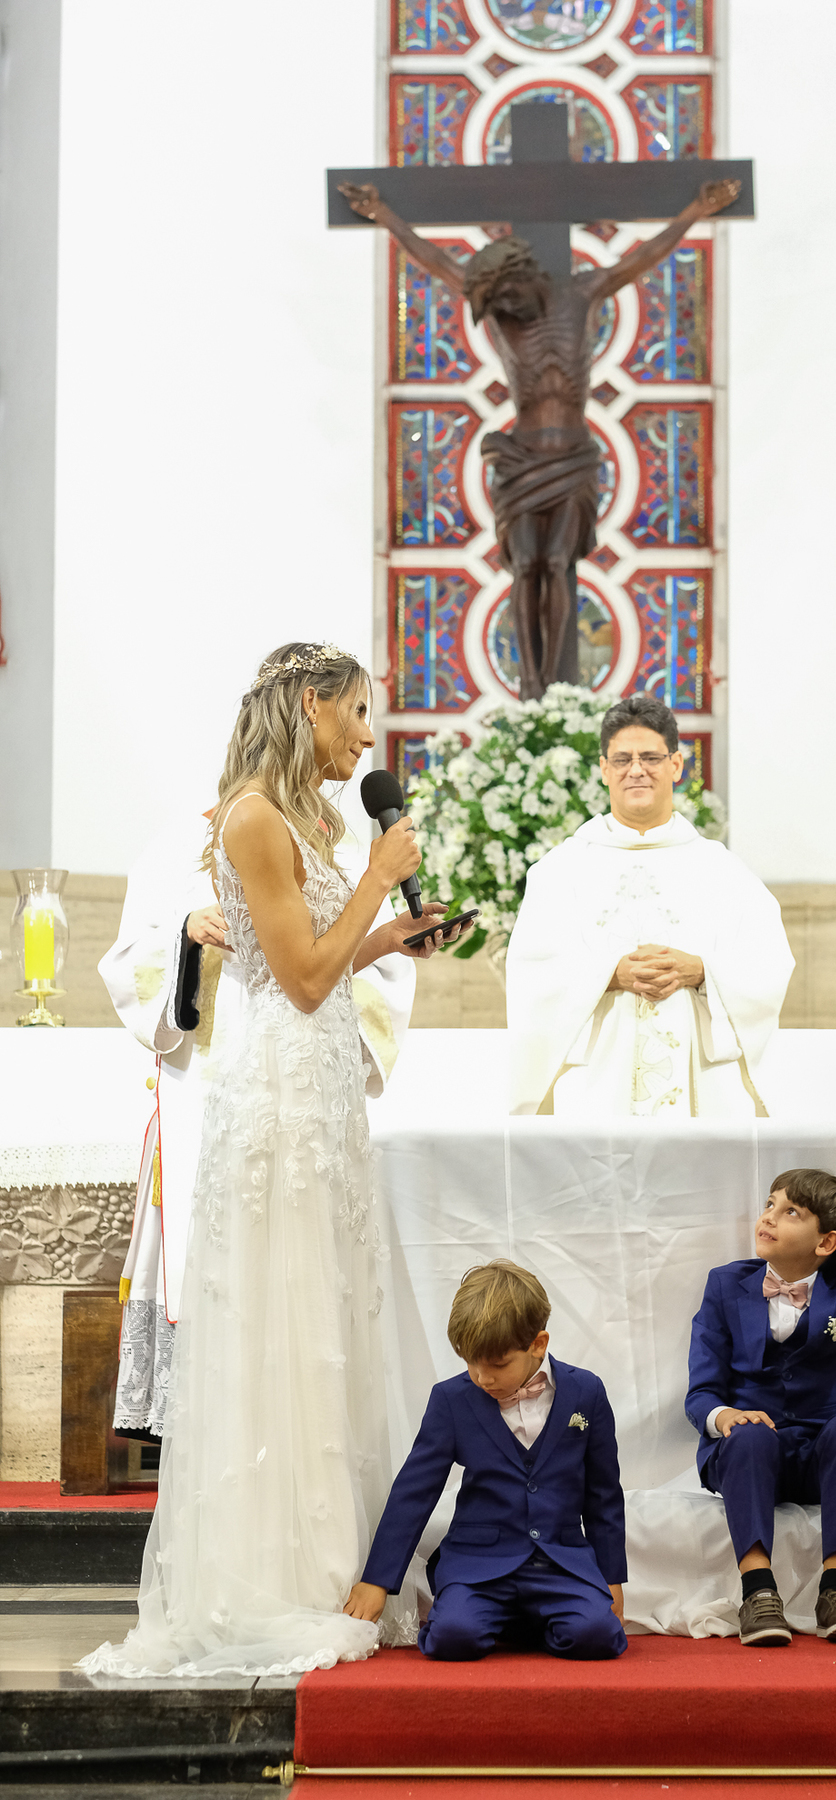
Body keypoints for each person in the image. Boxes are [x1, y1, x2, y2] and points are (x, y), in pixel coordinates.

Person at [82, 640, 469, 1679]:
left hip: (321, 1091)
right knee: (283, 1319)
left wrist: (392, 935)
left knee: (325, 1321)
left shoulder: (303, 817)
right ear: (309, 706)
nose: (367, 738)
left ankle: (331, 1557)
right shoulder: (252, 815)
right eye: (357, 713)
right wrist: (379, 880)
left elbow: (324, 960)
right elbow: (297, 980)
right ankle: (276, 1575)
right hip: (282, 1097)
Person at [99, 803, 436, 1441]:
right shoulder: (181, 842)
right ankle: (211, 1423)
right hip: (209, 1080)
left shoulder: (332, 838)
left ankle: (295, 1424)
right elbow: (127, 958)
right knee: (219, 1240)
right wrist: (186, 933)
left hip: (299, 1081)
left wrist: (390, 937)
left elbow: (329, 969)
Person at [337, 179, 740, 698]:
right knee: (524, 565)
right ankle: (530, 684)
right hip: (521, 459)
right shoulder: (500, 313)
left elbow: (643, 257)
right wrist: (384, 215)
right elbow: (437, 262)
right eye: (494, 301)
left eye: (507, 295)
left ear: (524, 274)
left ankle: (552, 684)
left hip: (573, 457)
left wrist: (698, 209)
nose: (503, 307)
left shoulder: (582, 293)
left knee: (557, 562)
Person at [505, 694, 794, 1117]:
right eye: (622, 759)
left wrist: (702, 970)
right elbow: (531, 971)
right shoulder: (560, 871)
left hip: (700, 1088)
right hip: (595, 1087)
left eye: (651, 758)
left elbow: (768, 963)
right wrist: (610, 974)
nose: (636, 770)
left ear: (675, 765)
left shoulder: (722, 870)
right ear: (604, 769)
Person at [344, 1259, 627, 1662]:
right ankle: (493, 1616)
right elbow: (415, 1491)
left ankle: (529, 1620)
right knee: (452, 1638)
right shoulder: (451, 1400)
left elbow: (603, 1495)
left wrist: (612, 1578)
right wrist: (377, 1580)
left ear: (538, 1344)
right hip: (477, 1564)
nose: (482, 1377)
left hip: (560, 1564)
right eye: (470, 1362)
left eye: (497, 1364)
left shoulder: (587, 1392)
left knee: (598, 1637)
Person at [686, 1170, 836, 1648]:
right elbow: (701, 1390)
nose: (769, 1217)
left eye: (790, 1211)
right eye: (770, 1204)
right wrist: (724, 1417)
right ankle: (758, 1591)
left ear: (826, 1242)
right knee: (749, 1435)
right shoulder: (726, 1284)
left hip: (817, 1456)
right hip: (748, 1457)